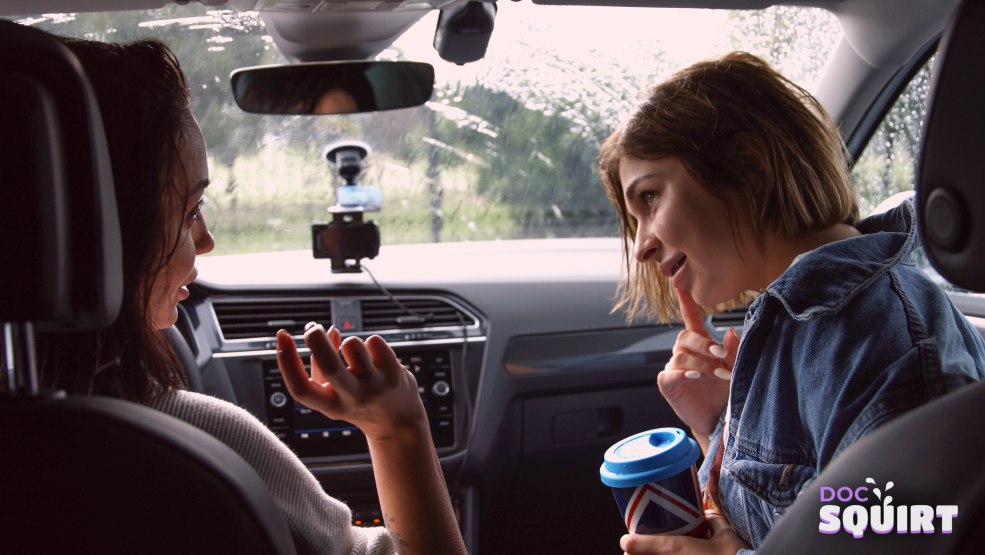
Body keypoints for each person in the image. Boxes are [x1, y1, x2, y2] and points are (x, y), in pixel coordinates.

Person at [31, 34, 465, 555]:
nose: (207, 239)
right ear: (105, 233)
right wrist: (400, 428)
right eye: (190, 211)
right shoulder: (195, 442)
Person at [598, 51, 985, 554]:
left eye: (649, 197)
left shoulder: (886, 349)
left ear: (749, 166)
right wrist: (717, 425)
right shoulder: (795, 324)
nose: (642, 245)